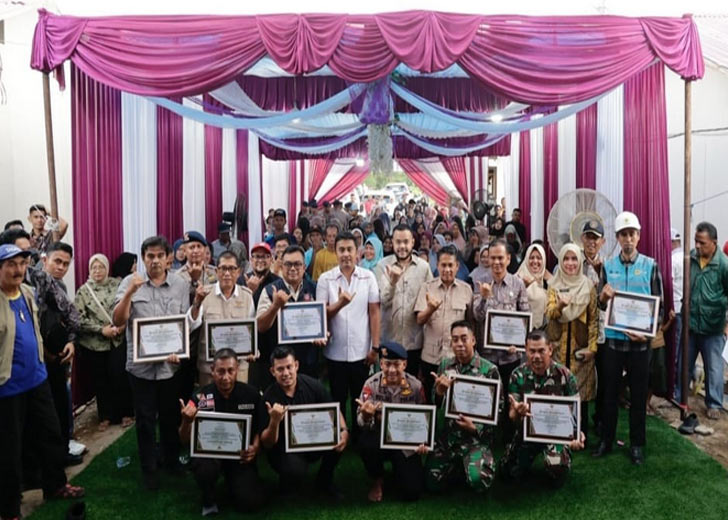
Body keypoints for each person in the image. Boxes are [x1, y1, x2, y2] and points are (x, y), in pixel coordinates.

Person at [0, 244, 85, 520]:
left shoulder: (27, 292)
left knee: (51, 434)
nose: (18, 270)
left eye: (22, 264)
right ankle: (9, 509)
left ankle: (56, 485)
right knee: (10, 450)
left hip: (38, 379)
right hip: (8, 388)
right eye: (11, 264)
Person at [112, 236, 191, 490]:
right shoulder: (129, 282)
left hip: (170, 366)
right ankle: (149, 469)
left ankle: (171, 461)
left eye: (159, 256)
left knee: (169, 416)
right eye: (150, 256)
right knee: (145, 420)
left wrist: (179, 349)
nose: (155, 261)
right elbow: (118, 321)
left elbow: (184, 321)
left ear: (168, 258)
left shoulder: (180, 284)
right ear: (143, 258)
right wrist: (130, 293)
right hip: (140, 368)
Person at [594, 212, 663, 465]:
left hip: (639, 344)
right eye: (623, 234)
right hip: (614, 341)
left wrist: (646, 334)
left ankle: (636, 445)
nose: (628, 239)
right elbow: (600, 305)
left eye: (632, 234)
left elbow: (659, 307)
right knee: (610, 394)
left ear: (639, 236)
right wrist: (603, 298)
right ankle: (606, 440)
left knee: (638, 396)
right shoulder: (608, 266)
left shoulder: (650, 265)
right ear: (617, 237)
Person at [179, 349, 267, 516]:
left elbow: (259, 428)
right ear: (212, 370)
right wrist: (186, 421)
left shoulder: (252, 395)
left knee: (251, 502)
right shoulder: (200, 397)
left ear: (237, 370)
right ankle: (208, 497)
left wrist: (255, 448)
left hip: (240, 457)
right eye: (220, 371)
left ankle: (234, 482)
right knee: (205, 468)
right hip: (210, 457)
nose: (225, 377)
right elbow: (184, 440)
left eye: (230, 371)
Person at [500, 330, 584, 486]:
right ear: (526, 350)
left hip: (555, 435)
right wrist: (517, 412)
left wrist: (576, 435)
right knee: (507, 472)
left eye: (541, 351)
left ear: (550, 350)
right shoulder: (517, 375)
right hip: (527, 433)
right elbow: (512, 416)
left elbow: (576, 413)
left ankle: (559, 459)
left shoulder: (565, 375)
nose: (536, 356)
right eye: (532, 351)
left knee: (557, 470)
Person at [261, 347, 348, 498]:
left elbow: (334, 408)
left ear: (296, 365)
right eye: (280, 369)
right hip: (284, 449)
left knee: (338, 439)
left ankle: (324, 480)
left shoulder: (313, 385)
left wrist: (344, 431)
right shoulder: (268, 397)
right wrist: (274, 421)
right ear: (272, 371)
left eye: (289, 367)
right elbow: (267, 443)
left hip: (313, 440)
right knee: (294, 471)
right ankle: (288, 482)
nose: (286, 373)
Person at [426, 321, 502, 494]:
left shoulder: (489, 370)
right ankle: (459, 468)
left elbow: (499, 411)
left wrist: (475, 428)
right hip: (449, 438)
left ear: (473, 340)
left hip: (475, 440)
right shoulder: (445, 366)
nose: (459, 344)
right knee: (431, 483)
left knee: (480, 481)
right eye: (455, 340)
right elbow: (435, 403)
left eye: (464, 338)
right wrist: (439, 392)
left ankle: (471, 466)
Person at [317, 231, 380, 437]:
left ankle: (360, 438)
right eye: (341, 250)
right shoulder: (326, 279)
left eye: (349, 249)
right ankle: (339, 435)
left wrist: (375, 347)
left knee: (360, 398)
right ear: (335, 252)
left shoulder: (368, 277)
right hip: (335, 351)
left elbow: (374, 312)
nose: (345, 254)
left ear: (357, 252)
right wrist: (340, 303)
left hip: (361, 351)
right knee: (337, 397)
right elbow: (321, 315)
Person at [356, 341, 427, 502]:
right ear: (381, 364)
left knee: (412, 492)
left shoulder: (416, 386)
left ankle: (400, 470)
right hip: (379, 439)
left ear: (405, 365)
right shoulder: (371, 385)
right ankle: (377, 479)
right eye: (387, 364)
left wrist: (423, 441)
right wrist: (366, 416)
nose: (392, 370)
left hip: (405, 443)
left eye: (396, 364)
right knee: (365, 443)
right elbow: (360, 422)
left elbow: (424, 419)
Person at [545, 244, 598, 443]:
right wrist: (560, 305)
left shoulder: (588, 286)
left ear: (580, 261)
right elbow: (550, 313)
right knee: (558, 388)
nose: (570, 263)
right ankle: (558, 433)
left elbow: (594, 320)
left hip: (580, 348)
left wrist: (592, 348)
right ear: (560, 261)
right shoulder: (554, 284)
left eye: (574, 259)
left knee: (580, 393)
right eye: (566, 259)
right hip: (558, 346)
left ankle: (580, 435)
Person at [74, 253, 132, 431]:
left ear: (107, 268)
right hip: (94, 344)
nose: (97, 271)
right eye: (94, 267)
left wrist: (122, 325)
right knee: (100, 380)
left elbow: (129, 305)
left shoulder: (117, 285)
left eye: (101, 267)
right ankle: (105, 416)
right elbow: (78, 319)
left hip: (117, 341)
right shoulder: (83, 291)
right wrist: (101, 330)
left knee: (120, 377)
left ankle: (126, 413)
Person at [415, 245, 473, 400]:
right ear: (437, 266)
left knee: (456, 400)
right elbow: (419, 320)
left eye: (450, 265)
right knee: (431, 399)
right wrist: (430, 309)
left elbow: (470, 324)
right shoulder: (427, 288)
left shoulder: (466, 290)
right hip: (431, 356)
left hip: (456, 356)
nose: (447, 269)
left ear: (457, 266)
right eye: (443, 265)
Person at [189, 251, 255, 387]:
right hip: (210, 369)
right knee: (209, 400)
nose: (227, 273)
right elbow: (191, 324)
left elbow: (252, 332)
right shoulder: (204, 294)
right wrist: (197, 302)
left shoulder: (247, 296)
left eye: (232, 269)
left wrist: (252, 350)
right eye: (223, 268)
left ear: (239, 272)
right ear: (216, 271)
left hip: (238, 368)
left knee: (238, 400)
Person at [40, 242, 80, 465]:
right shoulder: (34, 284)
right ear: (45, 260)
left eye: (66, 264)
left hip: (59, 358)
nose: (61, 267)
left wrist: (71, 342)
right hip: (40, 360)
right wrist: (45, 352)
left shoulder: (60, 286)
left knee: (61, 407)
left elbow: (69, 319)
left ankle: (62, 452)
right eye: (57, 261)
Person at [473, 239, 530, 398]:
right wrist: (484, 298)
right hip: (487, 356)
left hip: (510, 356)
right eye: (493, 258)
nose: (496, 262)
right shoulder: (480, 281)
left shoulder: (517, 284)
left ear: (508, 259)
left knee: (511, 397)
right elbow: (477, 317)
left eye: (500, 258)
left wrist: (518, 344)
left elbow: (525, 316)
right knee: (488, 398)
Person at [256, 246, 319, 388]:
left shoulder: (314, 288)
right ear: (281, 266)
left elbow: (323, 320)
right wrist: (275, 306)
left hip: (308, 360)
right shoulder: (269, 290)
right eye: (288, 264)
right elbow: (260, 327)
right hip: (280, 363)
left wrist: (323, 333)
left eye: (297, 264)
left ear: (304, 267)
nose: (293, 268)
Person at [375, 224, 433, 377]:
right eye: (398, 242)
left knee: (411, 384)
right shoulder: (382, 266)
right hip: (389, 339)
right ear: (392, 243)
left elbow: (429, 300)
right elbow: (384, 300)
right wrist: (393, 282)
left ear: (413, 242)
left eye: (406, 242)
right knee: (388, 384)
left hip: (414, 341)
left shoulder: (423, 268)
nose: (402, 246)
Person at [686, 221, 728, 420]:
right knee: (684, 363)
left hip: (714, 327)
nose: (697, 246)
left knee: (714, 368)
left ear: (714, 243)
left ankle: (714, 403)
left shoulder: (724, 265)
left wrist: (727, 325)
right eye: (696, 241)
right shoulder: (692, 258)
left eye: (702, 242)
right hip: (692, 323)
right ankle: (680, 396)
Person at [579, 220, 607, 432]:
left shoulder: (609, 266)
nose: (591, 242)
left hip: (602, 330)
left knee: (605, 376)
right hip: (579, 330)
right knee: (580, 375)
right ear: (582, 238)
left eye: (595, 238)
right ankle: (579, 420)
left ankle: (600, 419)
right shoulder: (572, 261)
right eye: (588, 237)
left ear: (602, 242)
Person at [516, 244, 549, 328]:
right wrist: (523, 287)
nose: (535, 261)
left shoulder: (546, 279)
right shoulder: (518, 278)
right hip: (520, 329)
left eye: (539, 258)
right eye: (531, 258)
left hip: (542, 330)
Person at [241, 242, 280, 307]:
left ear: (271, 259)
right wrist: (249, 291)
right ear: (251, 259)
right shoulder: (241, 281)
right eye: (257, 257)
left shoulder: (278, 282)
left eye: (264, 257)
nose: (260, 260)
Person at [670, 227, 685, 401]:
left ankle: (673, 387)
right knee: (683, 349)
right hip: (685, 309)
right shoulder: (687, 258)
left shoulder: (672, 260)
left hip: (675, 309)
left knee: (675, 348)